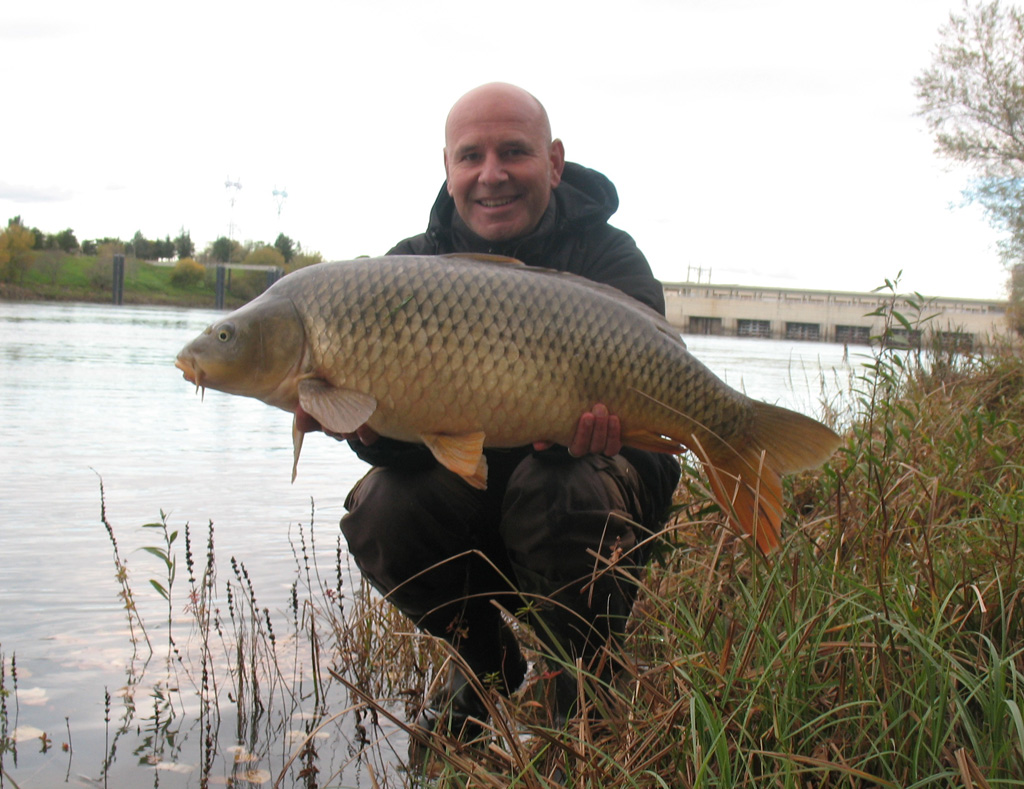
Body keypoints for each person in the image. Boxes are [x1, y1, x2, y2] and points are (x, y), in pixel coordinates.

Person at [326, 82, 680, 748]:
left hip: (580, 496)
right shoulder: (406, 270)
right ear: (448, 169)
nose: (491, 174)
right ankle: (482, 663)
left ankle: (584, 679)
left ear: (553, 162)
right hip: (478, 502)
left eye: (513, 152)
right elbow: (411, 447)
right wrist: (373, 436)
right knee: (382, 508)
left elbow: (656, 432)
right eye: (471, 156)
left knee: (560, 487)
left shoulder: (609, 258)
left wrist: (603, 441)